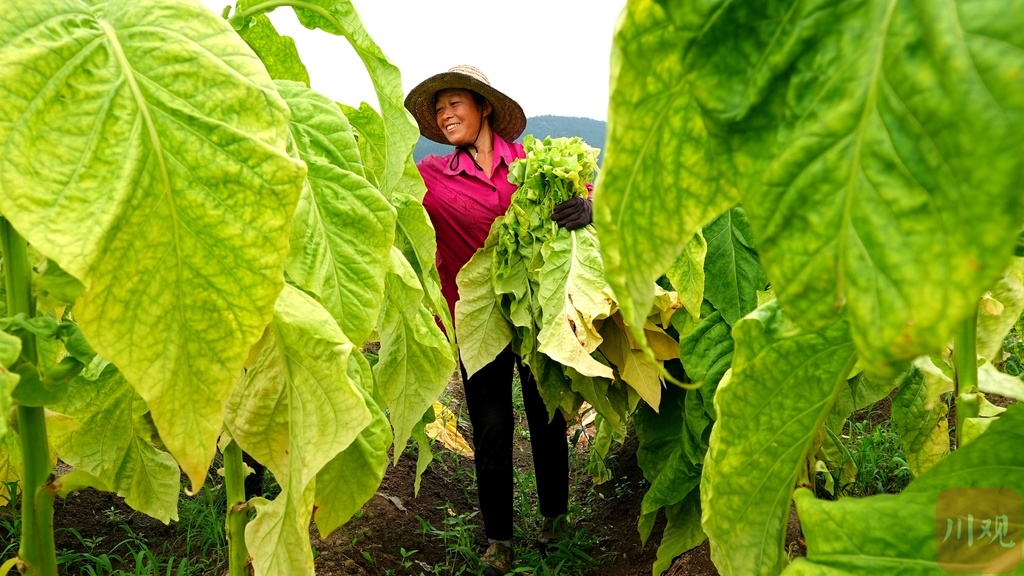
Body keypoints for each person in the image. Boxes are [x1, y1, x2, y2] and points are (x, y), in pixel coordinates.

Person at [404, 65, 592, 575]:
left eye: (454, 105)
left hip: (537, 313)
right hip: (478, 319)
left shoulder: (533, 165)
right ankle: (499, 540)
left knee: (547, 417)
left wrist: (586, 207)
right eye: (439, 110)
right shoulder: (432, 177)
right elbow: (392, 204)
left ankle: (555, 520)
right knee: (490, 427)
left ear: (483, 106)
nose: (445, 116)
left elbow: (588, 196)